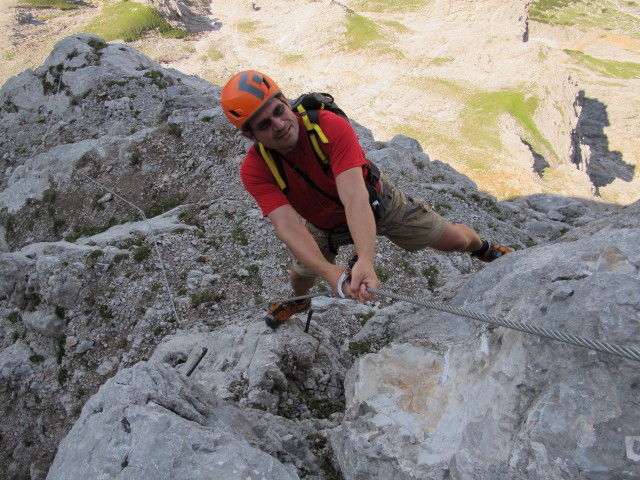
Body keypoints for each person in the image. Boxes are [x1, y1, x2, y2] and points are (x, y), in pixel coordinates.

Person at [220, 70, 512, 329]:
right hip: (325, 225)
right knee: (300, 276)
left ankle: (483, 247)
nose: (279, 124)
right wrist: (333, 275)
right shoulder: (255, 169)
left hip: (379, 204)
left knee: (454, 241)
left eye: (278, 110)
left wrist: (366, 260)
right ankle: (300, 301)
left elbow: (354, 196)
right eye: (264, 124)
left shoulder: (328, 127)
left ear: (285, 100)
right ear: (251, 136)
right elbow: (288, 227)